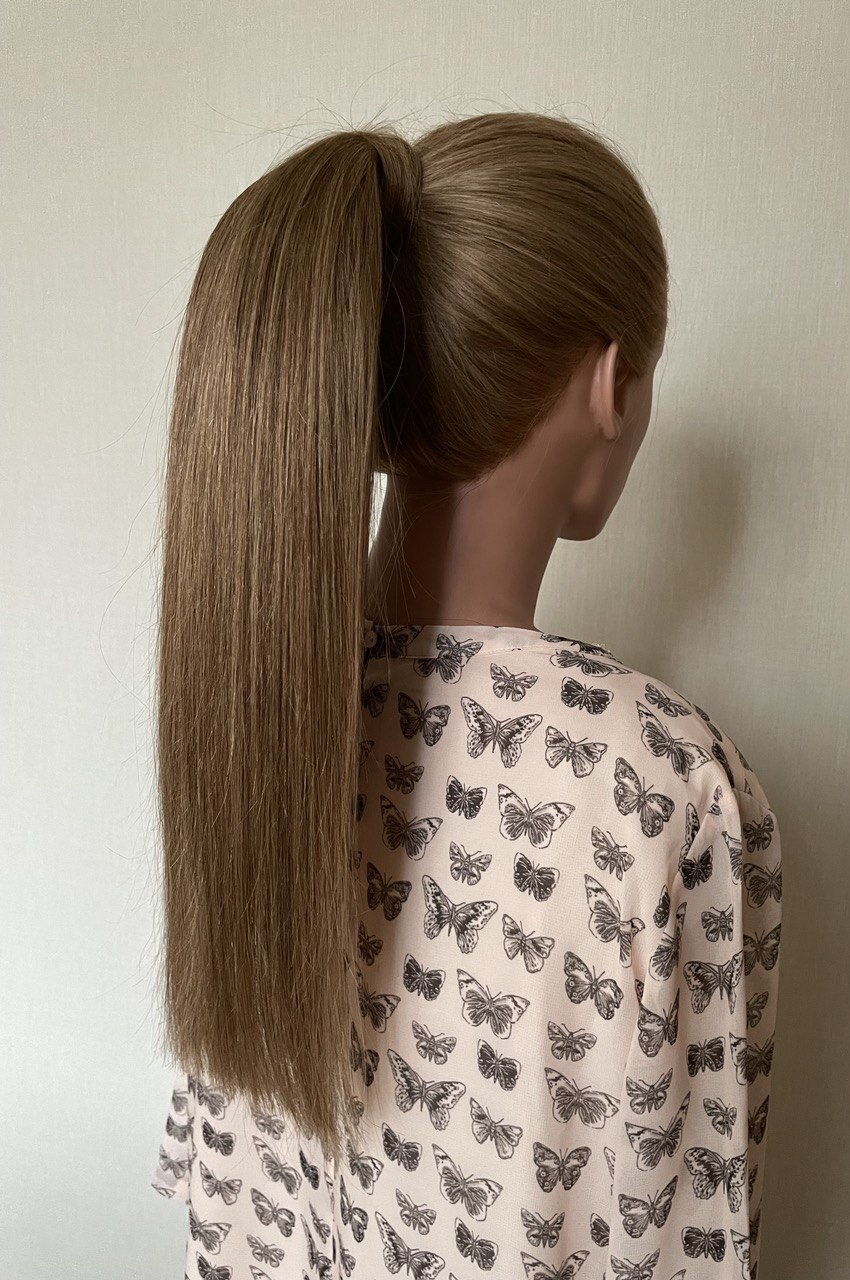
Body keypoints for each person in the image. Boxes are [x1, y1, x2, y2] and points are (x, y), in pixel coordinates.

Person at [150, 110, 782, 1280]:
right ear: (613, 383)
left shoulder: (250, 701)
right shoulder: (660, 787)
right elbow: (692, 1239)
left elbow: (224, 1209)